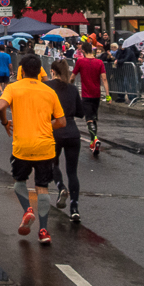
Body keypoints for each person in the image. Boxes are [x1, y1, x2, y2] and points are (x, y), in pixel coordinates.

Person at [0, 54, 65, 245]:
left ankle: (28, 210)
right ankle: (43, 231)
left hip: (22, 146)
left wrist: (5, 122)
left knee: (19, 181)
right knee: (42, 188)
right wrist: (44, 125)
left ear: (23, 71)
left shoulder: (13, 88)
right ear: (40, 71)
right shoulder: (49, 91)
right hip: (45, 146)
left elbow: (0, 106)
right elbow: (61, 121)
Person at [46, 59, 85, 222]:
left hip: (55, 131)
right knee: (72, 171)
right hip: (72, 132)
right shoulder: (72, 89)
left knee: (52, 164)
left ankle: (61, 187)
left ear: (53, 71)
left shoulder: (47, 87)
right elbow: (80, 113)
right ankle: (74, 208)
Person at [72, 42, 110, 156]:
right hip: (97, 94)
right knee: (93, 117)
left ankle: (94, 139)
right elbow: (104, 79)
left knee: (88, 119)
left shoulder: (80, 61)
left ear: (83, 50)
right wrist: (108, 95)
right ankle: (93, 143)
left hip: (86, 94)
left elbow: (73, 76)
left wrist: (68, 87)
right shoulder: (99, 62)